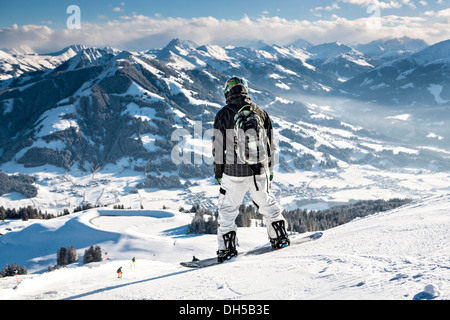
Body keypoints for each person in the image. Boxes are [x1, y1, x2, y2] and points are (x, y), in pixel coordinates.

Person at [212, 76, 290, 263]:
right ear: (246, 90)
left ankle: (227, 250)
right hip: (259, 170)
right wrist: (269, 169)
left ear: (227, 92)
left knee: (227, 211)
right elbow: (271, 145)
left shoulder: (223, 114)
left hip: (233, 172)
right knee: (267, 204)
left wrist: (218, 174)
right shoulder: (260, 112)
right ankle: (280, 237)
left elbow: (218, 149)